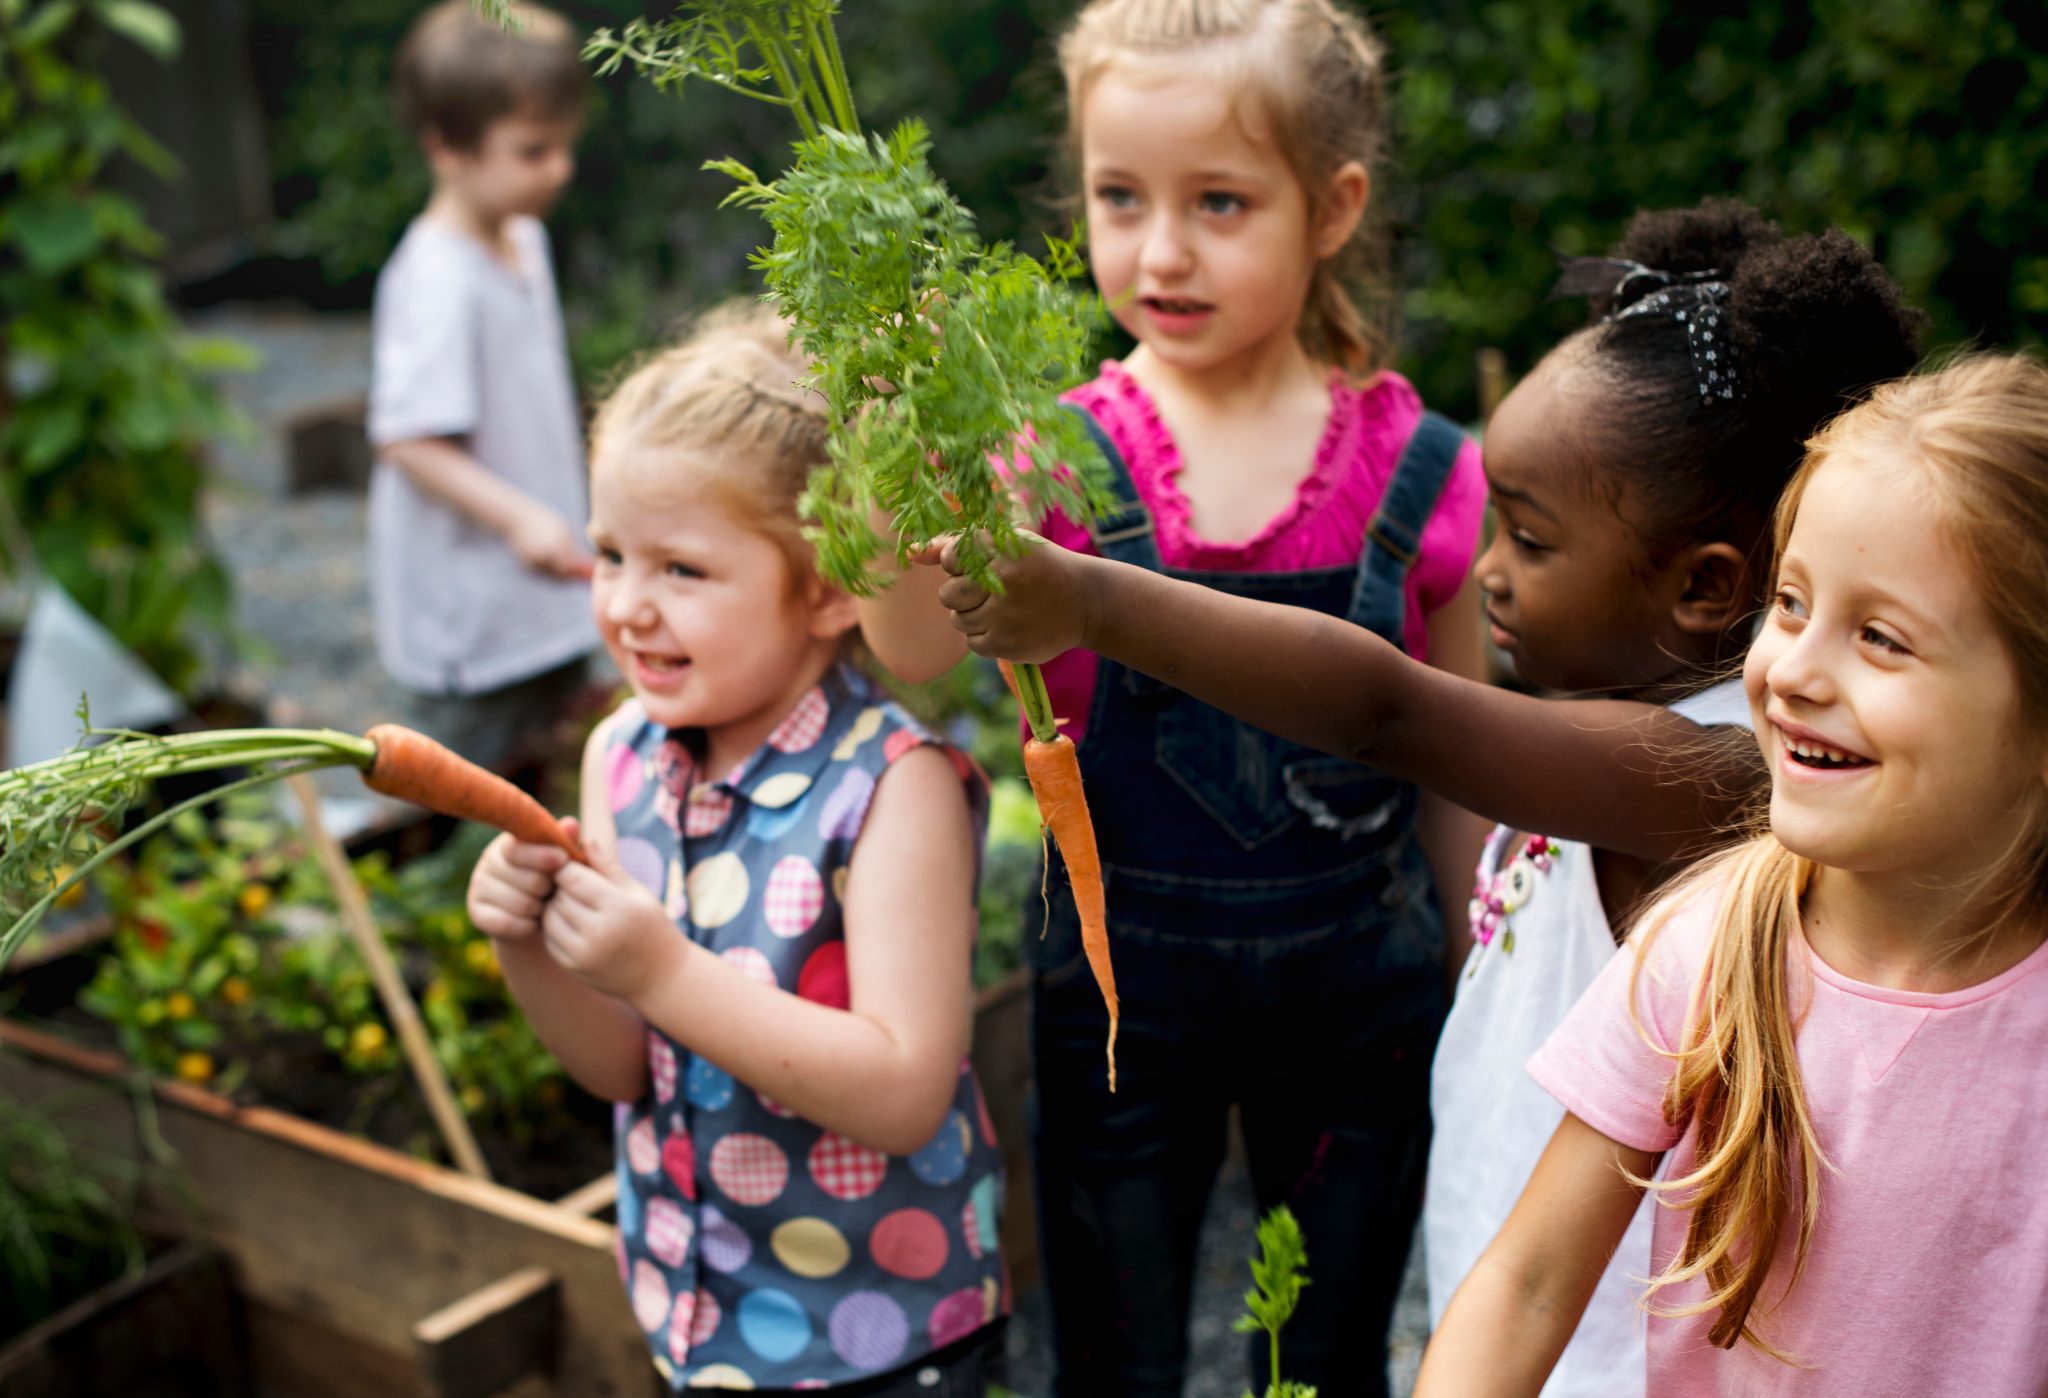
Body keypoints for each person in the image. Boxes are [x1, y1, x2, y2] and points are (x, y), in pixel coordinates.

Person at [924, 200, 1923, 1395]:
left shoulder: (1716, 777)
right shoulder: (1603, 735)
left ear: (1702, 588)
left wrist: (1095, 604)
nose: (1486, 571)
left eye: (1529, 541)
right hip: (1507, 1305)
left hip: (1594, 1355)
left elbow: (1384, 711)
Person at [862, 2, 1492, 1392]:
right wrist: (889, 440)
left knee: (1324, 1356)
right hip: (1117, 1009)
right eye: (1118, 197)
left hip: (1361, 1011)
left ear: (1333, 208)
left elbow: (1464, 758)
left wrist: (1481, 982)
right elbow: (910, 644)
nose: (1159, 252)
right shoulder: (1042, 455)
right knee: (1113, 1355)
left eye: (1219, 202)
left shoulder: (1424, 470)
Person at [1414, 352, 2048, 1395]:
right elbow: (1525, 1286)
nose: (1791, 671)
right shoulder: (1704, 947)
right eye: (1789, 604)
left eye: (1879, 638)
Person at [466, 307, 1007, 1395]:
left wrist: (660, 969)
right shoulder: (622, 756)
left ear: (825, 589)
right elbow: (626, 1067)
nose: (628, 606)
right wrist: (529, 946)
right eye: (610, 554)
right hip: (698, 1313)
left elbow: (904, 1091)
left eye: (681, 569)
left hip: (879, 1337)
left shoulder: (892, 786)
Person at [367, 0, 597, 777]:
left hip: (545, 598)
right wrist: (521, 517)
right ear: (446, 148)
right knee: (469, 792)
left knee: (553, 774)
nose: (560, 169)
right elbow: (407, 439)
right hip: (474, 624)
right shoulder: (437, 278)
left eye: (564, 144)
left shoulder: (524, 239)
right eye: (534, 150)